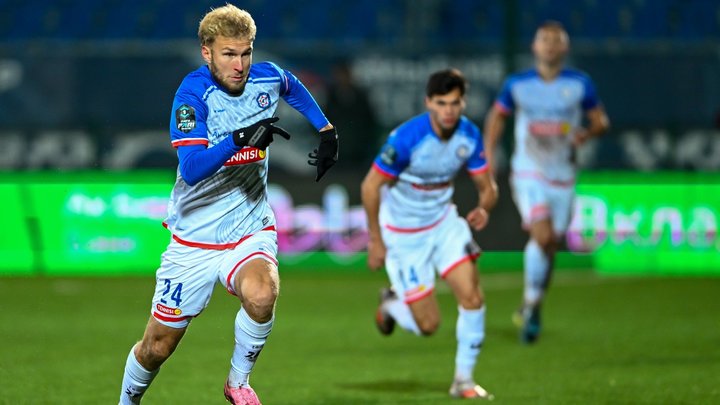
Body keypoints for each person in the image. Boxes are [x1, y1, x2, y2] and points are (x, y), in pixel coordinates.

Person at [117, 5, 339, 405]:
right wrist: (238, 140)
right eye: (228, 54)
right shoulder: (191, 96)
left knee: (262, 294)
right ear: (207, 52)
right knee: (157, 348)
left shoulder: (265, 77)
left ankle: (238, 382)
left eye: (246, 53)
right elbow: (192, 168)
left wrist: (325, 129)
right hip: (194, 241)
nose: (239, 65)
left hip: (249, 227)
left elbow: (290, 85)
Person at [361, 68, 498, 400]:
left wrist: (484, 207)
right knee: (428, 325)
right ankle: (392, 304)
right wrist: (376, 240)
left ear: (463, 103)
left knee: (473, 297)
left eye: (455, 103)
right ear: (428, 103)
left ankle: (464, 380)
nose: (448, 110)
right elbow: (370, 186)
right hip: (404, 236)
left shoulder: (468, 136)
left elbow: (488, 187)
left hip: (444, 225)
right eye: (441, 103)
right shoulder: (407, 139)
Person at [483, 21, 610, 344]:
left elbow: (600, 121)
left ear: (565, 48)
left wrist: (587, 133)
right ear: (534, 46)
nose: (550, 45)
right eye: (544, 40)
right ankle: (531, 305)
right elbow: (497, 116)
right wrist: (488, 155)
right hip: (528, 171)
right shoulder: (518, 84)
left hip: (563, 174)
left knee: (551, 244)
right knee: (541, 235)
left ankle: (533, 304)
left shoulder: (579, 84)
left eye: (556, 40)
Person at [323, 60, 379, 169]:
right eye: (339, 75)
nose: (342, 78)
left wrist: (365, 143)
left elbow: (370, 122)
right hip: (336, 152)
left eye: (345, 75)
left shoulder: (361, 97)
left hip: (358, 152)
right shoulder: (329, 98)